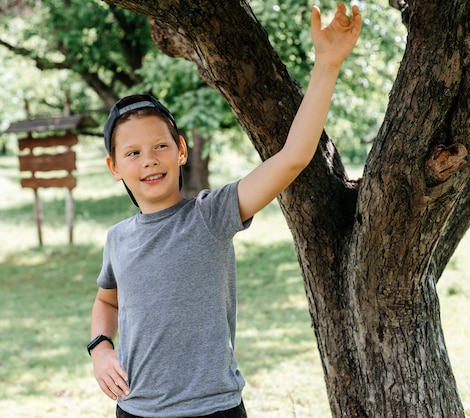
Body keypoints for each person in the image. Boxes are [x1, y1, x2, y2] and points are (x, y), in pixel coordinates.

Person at [88, 3, 361, 417]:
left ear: (181, 151)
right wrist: (100, 349)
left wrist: (326, 64)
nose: (149, 160)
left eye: (161, 145)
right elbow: (107, 303)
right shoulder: (118, 238)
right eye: (133, 152)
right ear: (114, 167)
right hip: (135, 411)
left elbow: (293, 157)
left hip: (214, 410)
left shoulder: (210, 215)